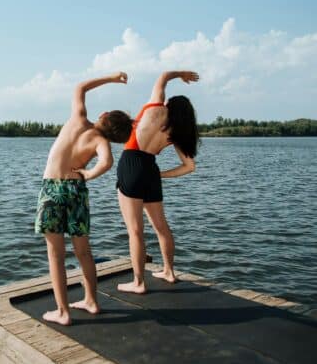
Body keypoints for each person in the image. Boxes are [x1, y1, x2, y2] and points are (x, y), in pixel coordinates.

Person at [35, 72, 133, 325]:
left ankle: (63, 311)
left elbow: (80, 87)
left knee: (56, 254)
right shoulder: (101, 141)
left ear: (103, 116)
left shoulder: (78, 119)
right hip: (76, 190)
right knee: (84, 252)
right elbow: (107, 162)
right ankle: (91, 300)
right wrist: (88, 174)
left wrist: (112, 78)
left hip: (52, 189)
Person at [116, 71, 200, 294]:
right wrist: (159, 175)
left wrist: (180, 74)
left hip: (132, 162)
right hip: (150, 169)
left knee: (135, 231)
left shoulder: (154, 109)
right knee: (161, 228)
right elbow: (189, 167)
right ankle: (169, 272)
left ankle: (138, 283)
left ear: (169, 105)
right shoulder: (177, 133)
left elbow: (162, 78)